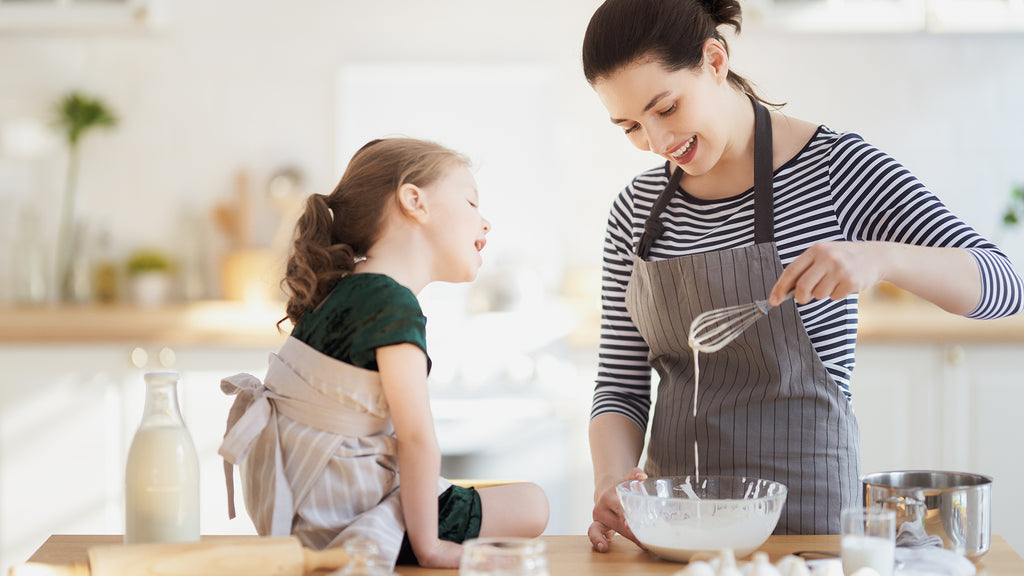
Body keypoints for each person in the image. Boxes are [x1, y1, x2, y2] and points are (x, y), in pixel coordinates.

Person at [581, 0, 1024, 552]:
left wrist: (879, 257)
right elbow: (620, 385)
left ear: (714, 61)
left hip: (808, 527)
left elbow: (1003, 286)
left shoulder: (836, 170)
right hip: (675, 536)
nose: (656, 141)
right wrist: (611, 479)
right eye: (629, 127)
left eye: (666, 108)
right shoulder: (635, 210)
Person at [218, 137, 549, 569]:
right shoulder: (390, 302)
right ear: (415, 201)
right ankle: (398, 537)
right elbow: (416, 441)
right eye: (471, 203)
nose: (485, 223)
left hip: (308, 507)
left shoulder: (347, 289)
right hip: (347, 518)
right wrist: (430, 546)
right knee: (533, 503)